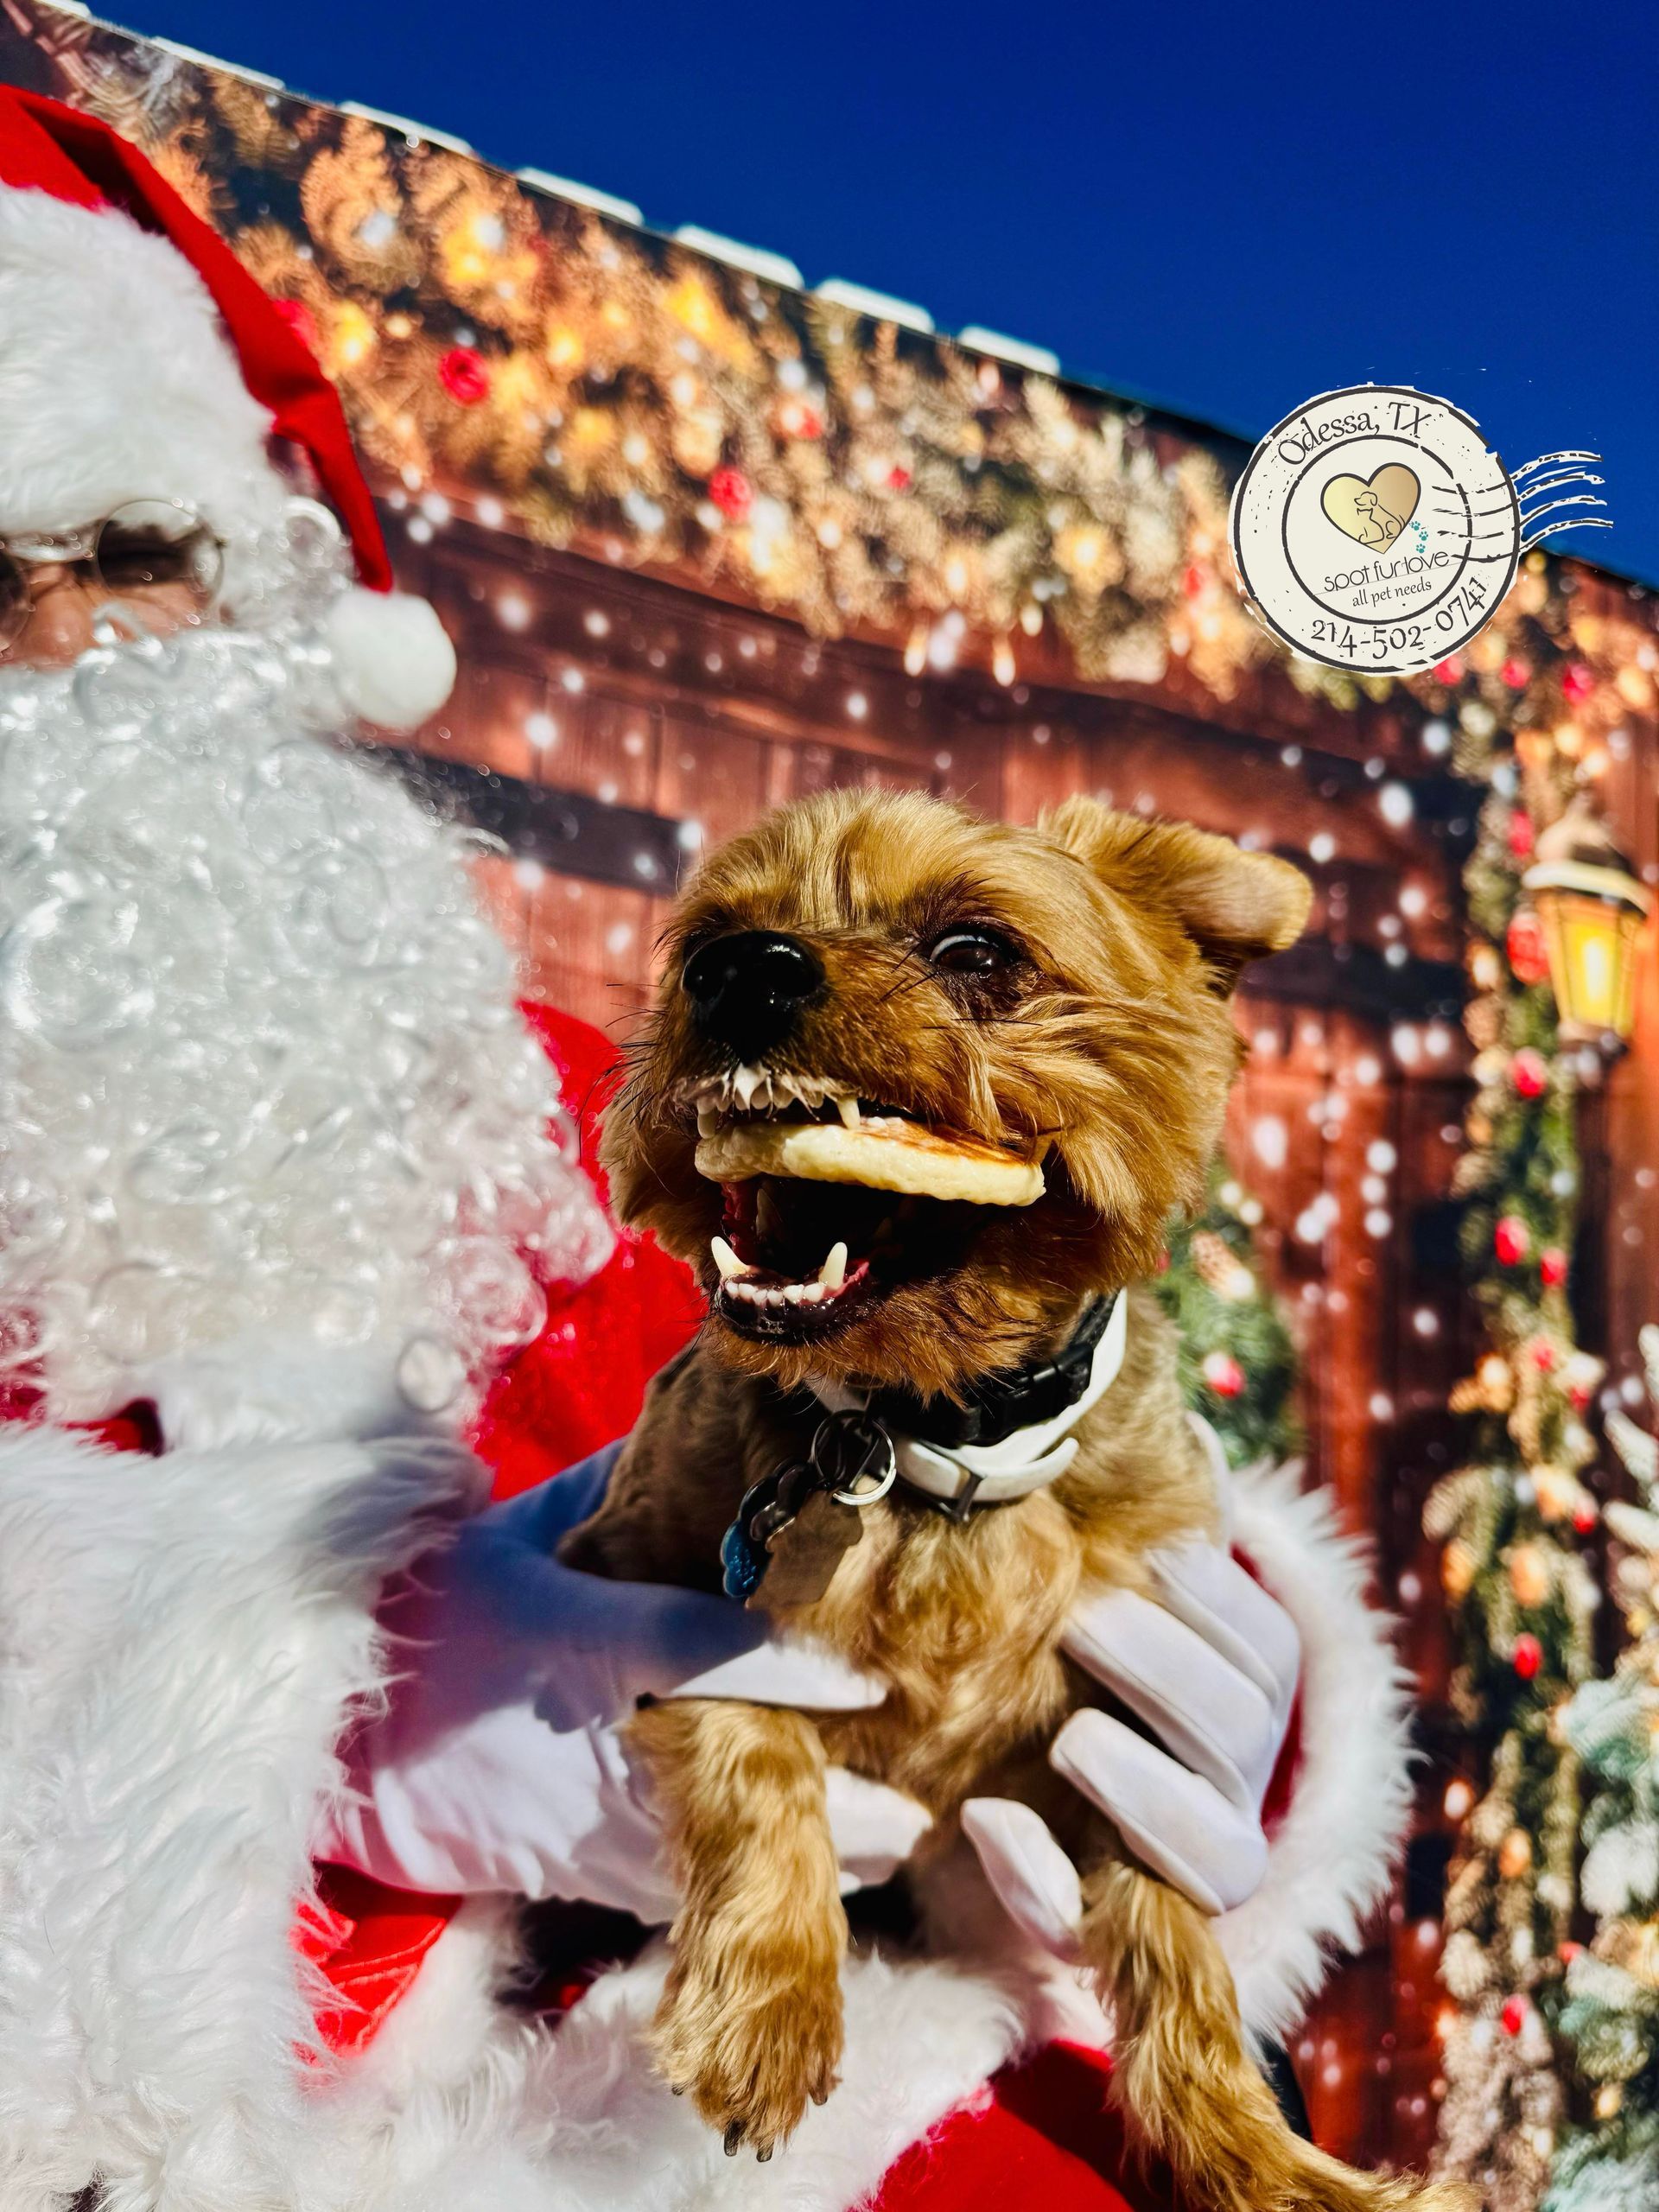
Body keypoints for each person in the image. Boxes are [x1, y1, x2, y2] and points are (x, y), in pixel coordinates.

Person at [0, 89, 1415, 2212]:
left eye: (124, 559)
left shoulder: (539, 1102)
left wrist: (1234, 1717)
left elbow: (981, 1449)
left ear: (257, 601)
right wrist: (299, 1740)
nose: (52, 651)